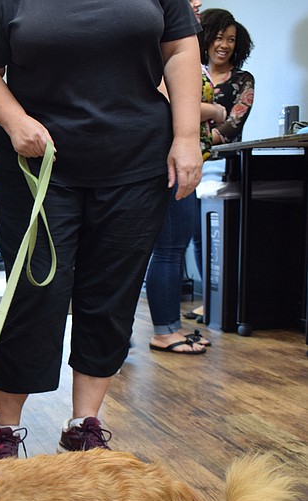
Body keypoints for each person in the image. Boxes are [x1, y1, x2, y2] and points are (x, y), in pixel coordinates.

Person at [0, 0, 203, 459]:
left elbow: (179, 50)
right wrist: (15, 121)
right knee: (33, 297)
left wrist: (187, 136)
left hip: (135, 160)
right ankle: (6, 434)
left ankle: (83, 426)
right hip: (36, 163)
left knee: (111, 294)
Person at [146, 0, 223, 355]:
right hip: (168, 157)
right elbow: (166, 96)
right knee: (169, 248)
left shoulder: (179, 42)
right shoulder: (161, 43)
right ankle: (165, 329)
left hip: (174, 157)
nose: (196, 2)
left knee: (170, 249)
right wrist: (216, 110)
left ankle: (169, 326)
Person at [185, 8, 254, 321]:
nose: (224, 44)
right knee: (191, 233)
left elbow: (232, 125)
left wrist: (198, 132)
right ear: (206, 37)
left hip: (219, 166)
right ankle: (206, 301)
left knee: (210, 234)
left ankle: (215, 301)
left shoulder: (242, 80)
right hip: (185, 159)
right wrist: (212, 112)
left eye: (231, 40)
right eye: (219, 37)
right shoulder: (190, 70)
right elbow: (175, 110)